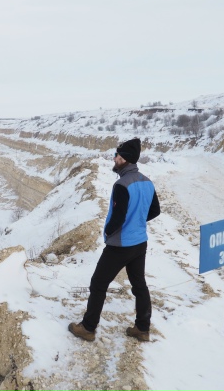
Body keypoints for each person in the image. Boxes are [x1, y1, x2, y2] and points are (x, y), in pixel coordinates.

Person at [69, 138, 161, 342]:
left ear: (124, 159)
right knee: (139, 285)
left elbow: (118, 218)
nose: (114, 158)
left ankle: (88, 328)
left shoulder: (122, 184)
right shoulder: (147, 181)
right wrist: (137, 221)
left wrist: (109, 232)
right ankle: (142, 328)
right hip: (140, 243)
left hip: (120, 244)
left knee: (98, 284)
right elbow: (155, 210)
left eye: (116, 156)